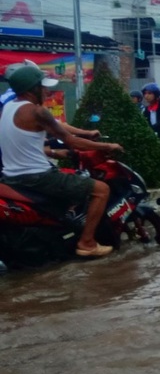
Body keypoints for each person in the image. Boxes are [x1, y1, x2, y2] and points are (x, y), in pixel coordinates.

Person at [0, 64, 122, 258]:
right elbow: (72, 142)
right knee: (101, 190)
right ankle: (87, 242)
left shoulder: (8, 108)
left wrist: (84, 134)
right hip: (38, 177)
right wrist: (108, 147)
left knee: (74, 182)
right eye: (43, 87)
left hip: (11, 178)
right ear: (33, 89)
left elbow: (49, 128)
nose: (47, 91)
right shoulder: (36, 112)